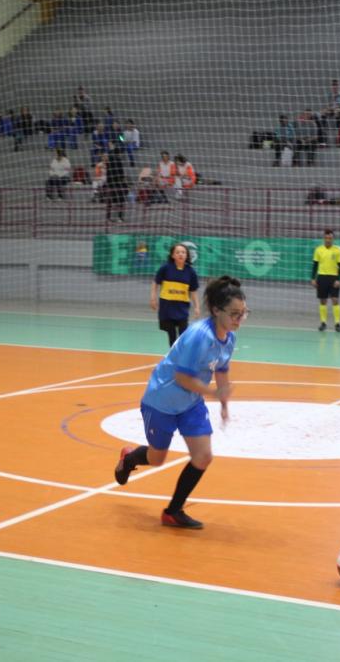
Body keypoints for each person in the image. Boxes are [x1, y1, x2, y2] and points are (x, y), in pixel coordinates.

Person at [114, 276, 247, 529]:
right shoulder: (199, 336)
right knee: (157, 459)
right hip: (161, 400)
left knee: (203, 456)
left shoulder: (229, 337)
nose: (239, 319)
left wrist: (224, 401)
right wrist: (213, 394)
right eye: (234, 314)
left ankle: (172, 511)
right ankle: (130, 458)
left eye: (244, 313)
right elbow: (182, 377)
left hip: (190, 403)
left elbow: (221, 368)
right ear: (217, 310)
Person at [151, 243, 201, 347]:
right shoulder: (165, 268)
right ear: (173, 255)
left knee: (183, 336)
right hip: (167, 307)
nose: (180, 254)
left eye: (183, 252)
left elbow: (193, 291)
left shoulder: (191, 272)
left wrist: (197, 307)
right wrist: (153, 298)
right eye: (177, 252)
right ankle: (173, 358)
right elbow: (156, 282)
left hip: (182, 308)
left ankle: (180, 356)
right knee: (172, 336)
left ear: (187, 255)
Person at [311, 229, 340, 332]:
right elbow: (315, 265)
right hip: (322, 277)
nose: (328, 240)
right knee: (323, 300)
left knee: (335, 300)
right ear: (324, 238)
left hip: (333, 278)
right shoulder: (318, 250)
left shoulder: (337, 251)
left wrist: (338, 280)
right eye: (326, 238)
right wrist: (313, 278)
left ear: (333, 239)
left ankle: (337, 323)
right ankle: (323, 323)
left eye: (330, 238)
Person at [105, 145, 129, 222]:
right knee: (121, 200)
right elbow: (121, 174)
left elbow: (108, 173)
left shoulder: (109, 161)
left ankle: (108, 218)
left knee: (110, 201)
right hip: (118, 183)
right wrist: (125, 183)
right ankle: (119, 217)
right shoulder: (118, 160)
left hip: (110, 183)